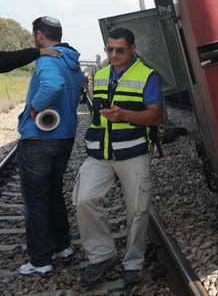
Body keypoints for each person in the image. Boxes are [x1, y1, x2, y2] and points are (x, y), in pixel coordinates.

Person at [74, 27, 163, 287]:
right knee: (84, 199)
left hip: (133, 152)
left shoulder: (148, 77)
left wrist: (125, 116)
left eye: (119, 50)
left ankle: (133, 263)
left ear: (132, 49)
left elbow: (156, 116)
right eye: (109, 49)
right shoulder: (99, 75)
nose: (113, 55)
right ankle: (102, 256)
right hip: (100, 154)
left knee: (137, 210)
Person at [17, 16, 83, 276]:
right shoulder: (72, 61)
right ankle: (62, 247)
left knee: (35, 200)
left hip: (39, 140)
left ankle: (40, 260)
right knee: (53, 193)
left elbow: (52, 85)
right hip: (63, 137)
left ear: (39, 35)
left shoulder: (47, 58)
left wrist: (33, 109)